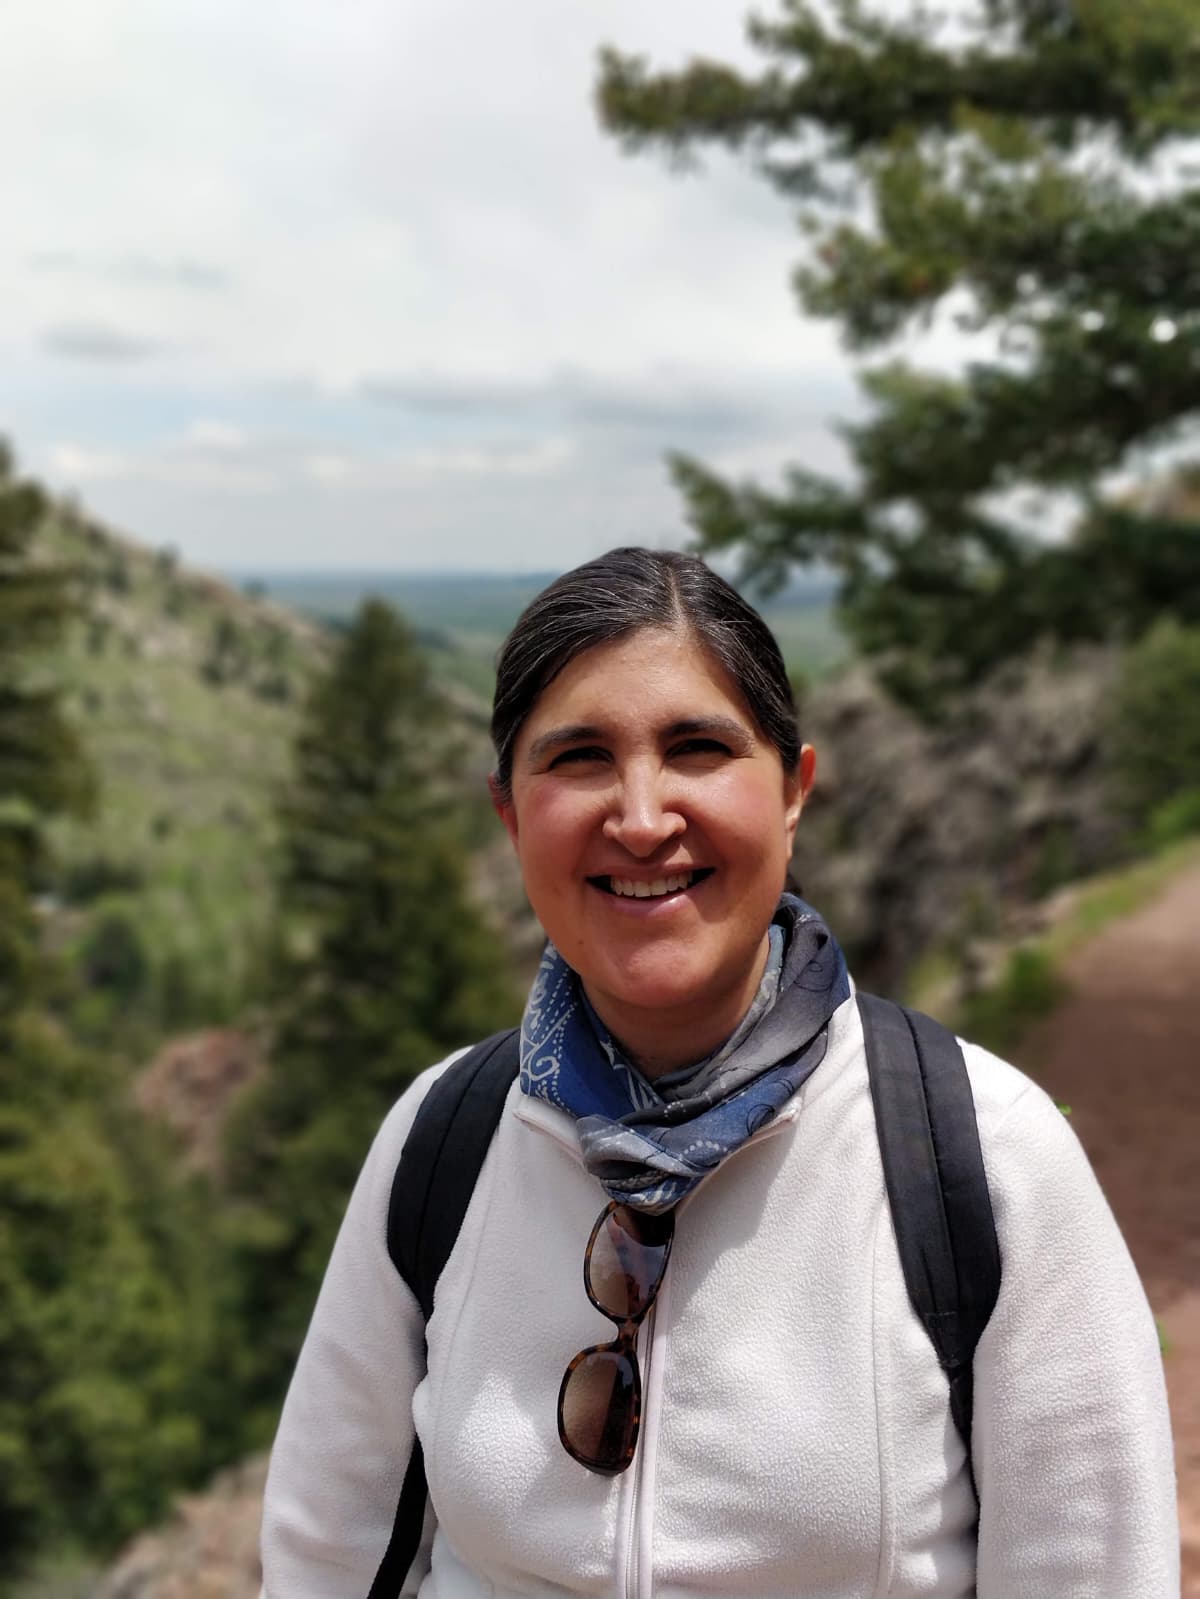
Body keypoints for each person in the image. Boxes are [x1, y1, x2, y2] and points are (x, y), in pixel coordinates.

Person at [260, 547, 1178, 1598]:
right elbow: (324, 1558)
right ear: (511, 813)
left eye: (697, 748)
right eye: (579, 759)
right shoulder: (444, 1138)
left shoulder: (982, 1155)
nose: (643, 817)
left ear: (793, 791)